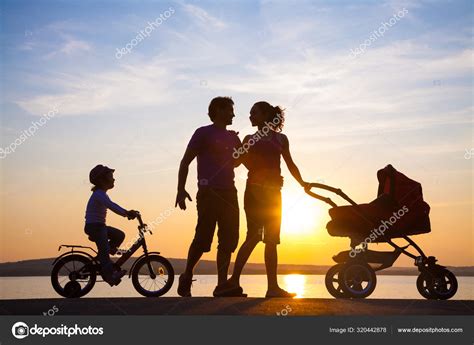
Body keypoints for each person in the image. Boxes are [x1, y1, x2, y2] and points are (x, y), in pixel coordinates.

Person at [223, 101, 309, 297]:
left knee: (271, 241)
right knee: (253, 237)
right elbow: (236, 162)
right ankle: (233, 281)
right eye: (250, 113)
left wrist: (303, 183)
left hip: (274, 195)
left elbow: (290, 164)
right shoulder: (249, 138)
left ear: (265, 115)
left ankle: (272, 288)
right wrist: (235, 145)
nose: (250, 116)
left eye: (254, 113)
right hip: (254, 193)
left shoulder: (281, 139)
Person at [175, 96, 243, 297]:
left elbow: (237, 163)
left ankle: (222, 285)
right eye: (230, 110)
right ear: (219, 110)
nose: (233, 114)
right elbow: (185, 161)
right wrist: (180, 189)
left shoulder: (233, 136)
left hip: (229, 193)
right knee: (203, 240)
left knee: (228, 240)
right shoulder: (202, 133)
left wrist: (241, 145)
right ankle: (187, 275)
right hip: (208, 193)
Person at [84, 165, 139, 286]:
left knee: (119, 235)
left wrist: (127, 213)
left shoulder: (102, 194)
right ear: (102, 180)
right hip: (95, 227)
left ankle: (107, 253)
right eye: (111, 177)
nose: (114, 179)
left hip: (100, 226)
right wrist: (126, 213)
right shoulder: (99, 194)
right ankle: (109, 275)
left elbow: (111, 204)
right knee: (104, 251)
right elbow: (112, 205)